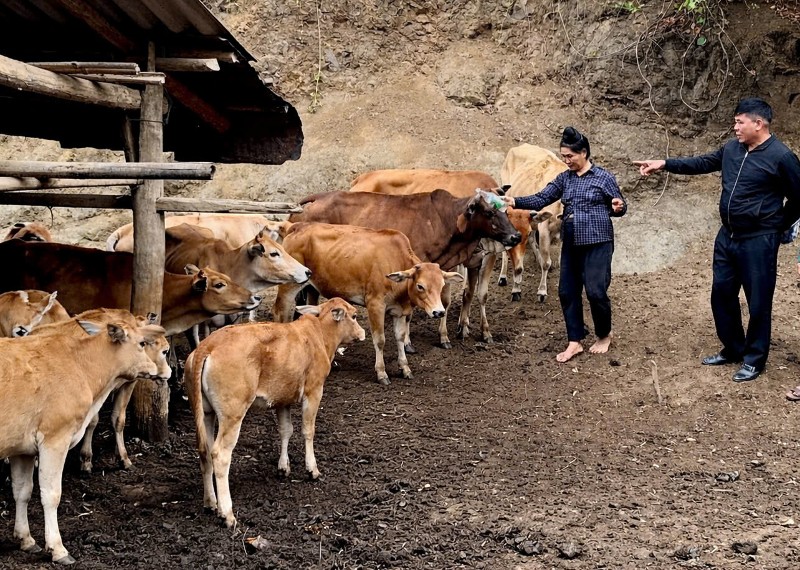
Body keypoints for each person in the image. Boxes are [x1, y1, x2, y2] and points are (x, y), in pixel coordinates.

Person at [634, 98, 800, 383]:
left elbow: (799, 197)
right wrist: (665, 163)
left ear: (758, 124)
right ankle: (734, 348)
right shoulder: (732, 149)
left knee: (759, 300)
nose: (735, 127)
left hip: (759, 241)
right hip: (727, 237)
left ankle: (754, 359)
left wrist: (777, 226)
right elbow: (703, 163)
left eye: (739, 122)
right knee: (721, 294)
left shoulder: (782, 157)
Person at [503, 127, 627, 363]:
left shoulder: (604, 178)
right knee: (567, 292)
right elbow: (542, 198)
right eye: (563, 156)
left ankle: (604, 334)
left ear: (584, 153)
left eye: (570, 156)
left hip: (598, 241)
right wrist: (515, 200)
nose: (566, 161)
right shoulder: (564, 179)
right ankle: (575, 341)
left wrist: (619, 207)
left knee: (595, 291)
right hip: (571, 242)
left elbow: (619, 206)